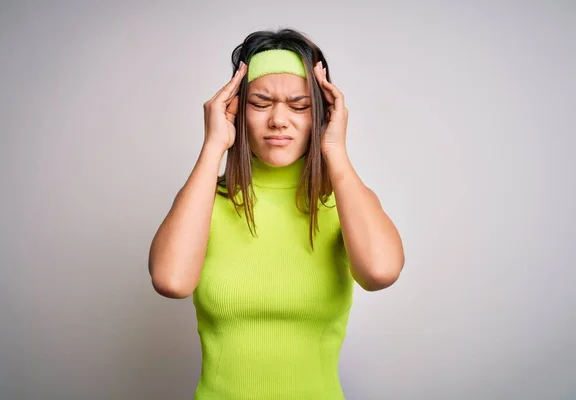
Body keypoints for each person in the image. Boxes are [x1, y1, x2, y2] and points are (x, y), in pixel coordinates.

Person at [148, 28, 405, 400]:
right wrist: (213, 145)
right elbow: (170, 281)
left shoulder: (344, 202)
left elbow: (381, 273)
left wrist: (335, 151)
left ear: (322, 114)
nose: (279, 120)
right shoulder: (206, 201)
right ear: (235, 110)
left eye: (300, 106)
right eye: (260, 103)